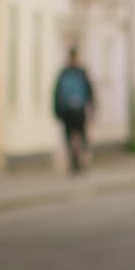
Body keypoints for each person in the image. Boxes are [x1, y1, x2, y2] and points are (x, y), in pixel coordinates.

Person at [52, 46, 96, 176]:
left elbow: (89, 91)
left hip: (75, 110)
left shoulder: (74, 73)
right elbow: (57, 92)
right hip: (70, 110)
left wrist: (92, 106)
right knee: (72, 137)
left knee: (78, 136)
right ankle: (75, 161)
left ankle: (79, 160)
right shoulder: (71, 73)